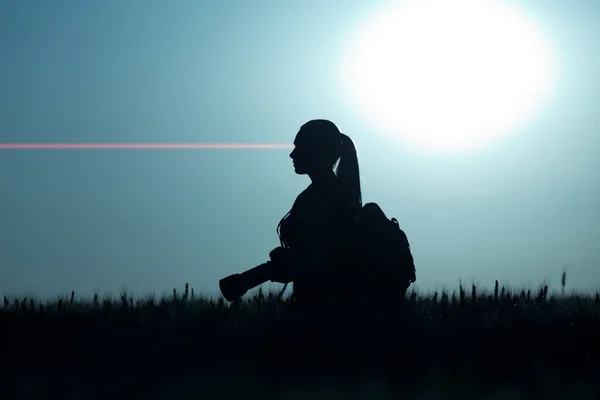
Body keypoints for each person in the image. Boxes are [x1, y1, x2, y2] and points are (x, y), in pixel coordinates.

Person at [267, 119, 362, 309]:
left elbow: (318, 260)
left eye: (299, 147)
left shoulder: (318, 198)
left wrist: (286, 264)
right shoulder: (335, 195)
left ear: (316, 151)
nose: (292, 154)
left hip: (322, 311)